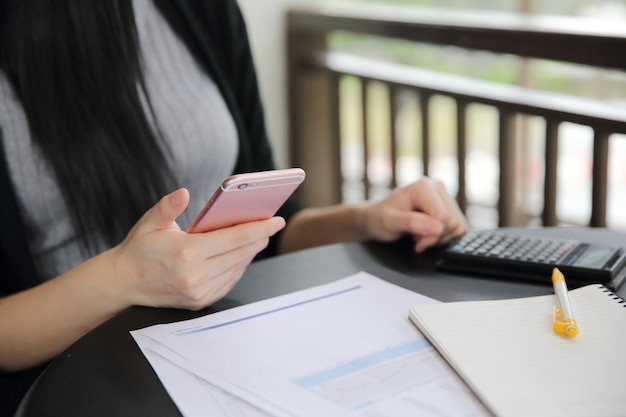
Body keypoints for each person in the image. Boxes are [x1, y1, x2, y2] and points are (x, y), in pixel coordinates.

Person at [0, 0, 467, 414]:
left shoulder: (205, 10)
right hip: (66, 380)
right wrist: (126, 277)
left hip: (230, 348)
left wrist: (365, 219)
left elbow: (269, 231)